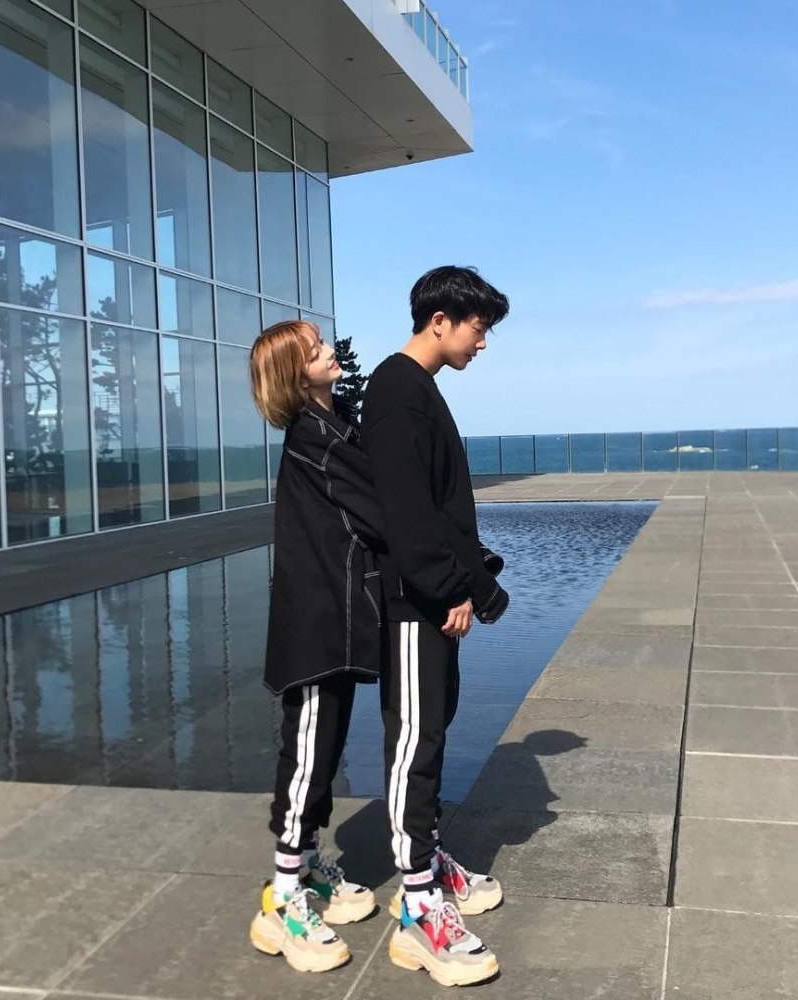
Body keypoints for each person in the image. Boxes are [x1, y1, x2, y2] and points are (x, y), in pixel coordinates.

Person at [360, 265, 512, 987]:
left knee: (434, 729)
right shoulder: (396, 390)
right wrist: (448, 586)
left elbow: (436, 505)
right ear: (441, 319)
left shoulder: (417, 388)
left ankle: (429, 861)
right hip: (414, 602)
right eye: (479, 329)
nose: (482, 344)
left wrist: (468, 582)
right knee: (414, 742)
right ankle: (418, 907)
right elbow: (405, 510)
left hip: (432, 597)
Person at [247, 320, 384, 973]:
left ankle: (306, 868)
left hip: (336, 620)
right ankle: (283, 899)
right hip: (315, 627)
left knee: (322, 751)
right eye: (315, 350)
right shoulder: (313, 437)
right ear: (295, 374)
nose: (329, 350)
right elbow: (378, 509)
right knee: (306, 756)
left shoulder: (331, 426)